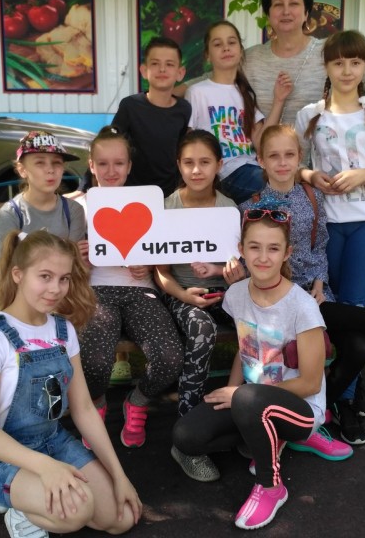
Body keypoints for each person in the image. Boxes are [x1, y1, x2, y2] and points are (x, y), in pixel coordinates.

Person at [172, 206, 352, 530]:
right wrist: (232, 390)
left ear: (287, 253)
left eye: (273, 248)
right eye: (254, 247)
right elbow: (245, 348)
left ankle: (271, 486)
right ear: (241, 250)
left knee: (249, 399)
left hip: (300, 409)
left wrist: (241, 395)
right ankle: (262, 437)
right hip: (252, 401)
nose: (263, 257)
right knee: (186, 435)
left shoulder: (303, 307)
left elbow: (311, 383)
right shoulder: (236, 294)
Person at [0, 230, 141, 538]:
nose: (56, 289)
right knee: (77, 510)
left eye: (64, 279)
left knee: (122, 517)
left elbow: (84, 408)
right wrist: (45, 467)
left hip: (52, 441)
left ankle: (41, 499)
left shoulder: (63, 330)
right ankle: (19, 508)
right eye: (45, 276)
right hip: (0, 458)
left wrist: (119, 474)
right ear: (18, 274)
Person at [295, 30, 365, 444]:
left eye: (355, 62)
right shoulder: (309, 116)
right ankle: (340, 384)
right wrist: (311, 175)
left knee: (355, 307)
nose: (347, 70)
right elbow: (292, 165)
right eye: (338, 63)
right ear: (326, 67)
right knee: (329, 309)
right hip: (324, 225)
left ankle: (343, 394)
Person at [76, 125, 183, 448]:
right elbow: (52, 258)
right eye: (103, 163)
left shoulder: (146, 202)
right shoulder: (77, 206)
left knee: (169, 357)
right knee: (93, 362)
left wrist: (150, 261)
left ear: (129, 166)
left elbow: (164, 249)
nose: (111, 171)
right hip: (95, 291)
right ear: (91, 165)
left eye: (119, 163)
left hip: (140, 290)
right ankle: (95, 405)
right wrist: (76, 256)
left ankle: (137, 402)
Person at [155, 129, 246, 481]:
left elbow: (236, 267)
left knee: (258, 326)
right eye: (189, 162)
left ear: (219, 165)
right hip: (183, 294)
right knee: (202, 329)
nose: (196, 170)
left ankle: (250, 415)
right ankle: (188, 438)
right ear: (178, 165)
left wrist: (232, 278)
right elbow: (161, 272)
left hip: (224, 292)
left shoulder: (228, 208)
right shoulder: (166, 207)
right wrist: (183, 296)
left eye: (205, 162)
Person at [186, 21, 289, 203]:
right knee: (275, 188)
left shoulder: (245, 93)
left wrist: (279, 100)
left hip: (250, 168)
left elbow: (262, 142)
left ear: (241, 51)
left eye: (231, 42)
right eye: (218, 44)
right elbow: (189, 141)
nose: (226, 48)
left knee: (287, 186)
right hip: (222, 172)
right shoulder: (197, 92)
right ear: (208, 55)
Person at [240, 124, 332, 304]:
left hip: (312, 291)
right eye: (273, 156)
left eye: (289, 154)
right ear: (261, 161)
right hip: (272, 296)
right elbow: (248, 259)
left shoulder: (313, 197)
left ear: (299, 157)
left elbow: (320, 245)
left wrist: (319, 284)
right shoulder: (249, 208)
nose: (282, 162)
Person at [0, 131, 88, 267]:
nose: (50, 170)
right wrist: (66, 253)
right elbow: (4, 269)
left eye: (57, 162)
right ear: (22, 170)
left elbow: (77, 266)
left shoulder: (74, 210)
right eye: (40, 163)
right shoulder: (10, 214)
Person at [112, 36, 191, 197]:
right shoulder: (130, 106)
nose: (162, 69)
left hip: (170, 195)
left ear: (180, 73)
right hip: (133, 193)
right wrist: (85, 186)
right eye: (155, 63)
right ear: (143, 70)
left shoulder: (184, 109)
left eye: (169, 64)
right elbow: (108, 144)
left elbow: (182, 150)